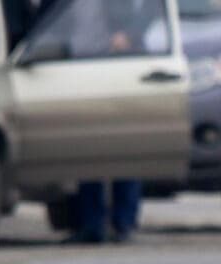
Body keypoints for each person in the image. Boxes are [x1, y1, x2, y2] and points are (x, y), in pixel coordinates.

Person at [64, 0, 164, 244]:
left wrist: (130, 34)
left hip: (119, 59)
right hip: (77, 64)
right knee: (86, 145)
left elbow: (154, 6)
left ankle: (124, 221)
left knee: (124, 142)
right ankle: (91, 223)